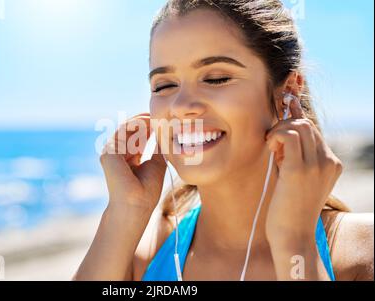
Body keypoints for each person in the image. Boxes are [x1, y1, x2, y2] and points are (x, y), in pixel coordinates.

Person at [74, 0, 374, 281]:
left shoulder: (363, 252)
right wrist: (124, 212)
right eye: (164, 85)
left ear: (288, 92)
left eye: (216, 78)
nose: (180, 106)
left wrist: (294, 241)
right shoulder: (139, 257)